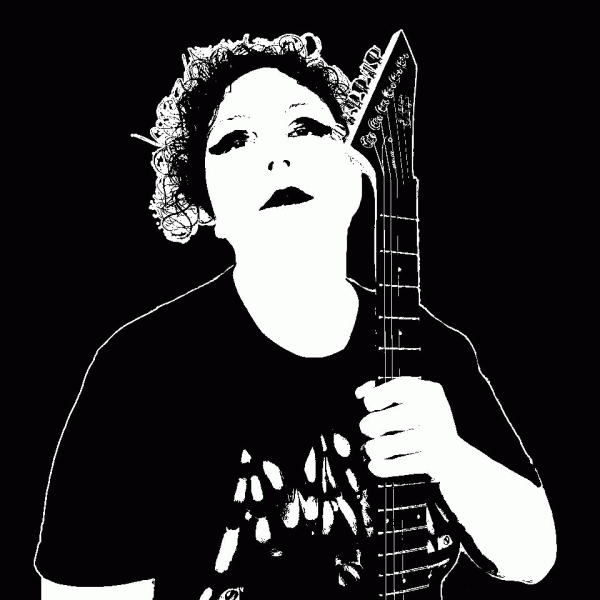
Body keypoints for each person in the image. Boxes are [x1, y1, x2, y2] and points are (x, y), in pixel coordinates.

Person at [35, 32, 556, 600]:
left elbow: (532, 558)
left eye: (305, 127)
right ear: (206, 207)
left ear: (357, 171)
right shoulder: (141, 370)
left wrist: (451, 458)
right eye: (235, 139)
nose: (276, 156)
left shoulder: (432, 348)